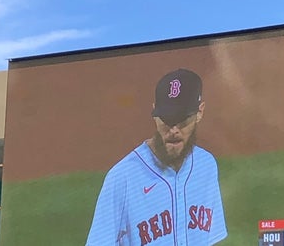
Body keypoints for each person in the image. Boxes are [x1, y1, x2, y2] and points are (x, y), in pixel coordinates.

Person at [86, 68, 227, 246]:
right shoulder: (122, 178)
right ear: (155, 114)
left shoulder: (206, 166)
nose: (174, 130)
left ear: (200, 112)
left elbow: (211, 239)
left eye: (182, 118)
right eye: (167, 119)